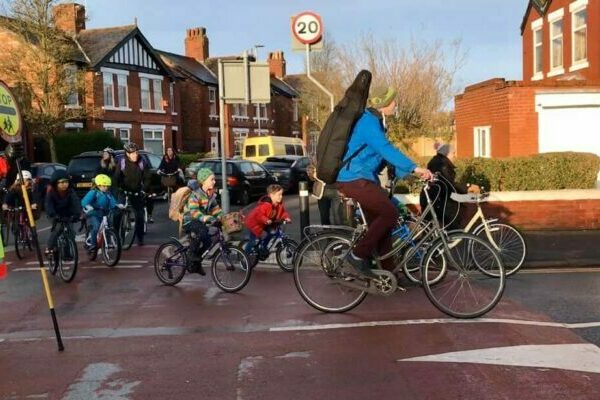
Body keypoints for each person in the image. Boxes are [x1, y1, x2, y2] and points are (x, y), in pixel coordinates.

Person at [336, 85, 432, 277]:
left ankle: (387, 276)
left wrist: (409, 173)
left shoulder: (376, 122)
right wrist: (415, 167)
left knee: (383, 228)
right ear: (383, 104)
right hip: (353, 178)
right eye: (393, 101)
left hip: (364, 179)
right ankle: (356, 256)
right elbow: (385, 149)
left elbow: (382, 156)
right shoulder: (368, 122)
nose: (396, 104)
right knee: (390, 212)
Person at [419, 142, 480, 230]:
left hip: (434, 199)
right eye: (453, 153)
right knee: (453, 222)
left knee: (429, 230)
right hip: (437, 201)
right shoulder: (442, 164)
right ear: (446, 154)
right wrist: (468, 187)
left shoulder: (438, 161)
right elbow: (449, 183)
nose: (454, 156)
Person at [181, 168, 223, 275]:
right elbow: (194, 211)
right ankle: (191, 253)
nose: (214, 181)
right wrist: (205, 218)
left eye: (214, 179)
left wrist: (222, 217)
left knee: (208, 242)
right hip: (189, 221)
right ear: (203, 181)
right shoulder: (195, 194)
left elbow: (215, 209)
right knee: (202, 231)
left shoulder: (211, 195)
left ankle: (196, 264)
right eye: (211, 179)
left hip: (200, 221)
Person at [113, 142, 151, 244]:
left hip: (136, 191)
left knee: (139, 215)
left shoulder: (142, 162)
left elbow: (147, 178)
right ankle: (115, 234)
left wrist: (144, 189)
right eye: (132, 153)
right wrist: (118, 189)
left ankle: (140, 238)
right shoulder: (122, 162)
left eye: (136, 152)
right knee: (117, 213)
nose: (135, 155)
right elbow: (116, 178)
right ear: (127, 153)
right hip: (123, 190)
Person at [81, 174, 123, 256]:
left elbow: (112, 202)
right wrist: (88, 206)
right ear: (98, 185)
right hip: (94, 213)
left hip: (104, 214)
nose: (105, 188)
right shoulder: (93, 192)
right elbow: (84, 201)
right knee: (96, 227)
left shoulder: (108, 194)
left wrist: (117, 205)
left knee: (110, 226)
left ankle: (109, 241)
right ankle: (93, 244)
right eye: (103, 186)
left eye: (107, 186)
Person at [243, 184, 291, 256]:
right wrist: (266, 220)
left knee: (273, 232)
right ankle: (244, 257)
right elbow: (259, 215)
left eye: (281, 194)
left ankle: (263, 246)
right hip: (254, 224)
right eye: (279, 195)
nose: (281, 196)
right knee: (253, 241)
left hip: (265, 223)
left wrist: (286, 217)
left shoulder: (278, 204)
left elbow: (283, 212)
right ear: (271, 195)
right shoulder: (266, 205)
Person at [44, 170, 82, 255]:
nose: (64, 184)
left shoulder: (71, 192)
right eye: (61, 182)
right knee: (58, 228)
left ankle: (67, 253)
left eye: (66, 182)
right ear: (56, 183)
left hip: (67, 214)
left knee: (71, 232)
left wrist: (78, 214)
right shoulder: (51, 193)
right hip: (55, 214)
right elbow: (48, 205)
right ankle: (49, 247)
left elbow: (76, 203)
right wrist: (53, 214)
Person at [307, 161, 343, 225]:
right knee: (325, 216)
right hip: (322, 191)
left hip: (335, 189)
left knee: (337, 215)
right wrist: (313, 174)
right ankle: (327, 233)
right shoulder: (318, 156)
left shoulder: (337, 153)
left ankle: (339, 233)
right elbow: (310, 170)